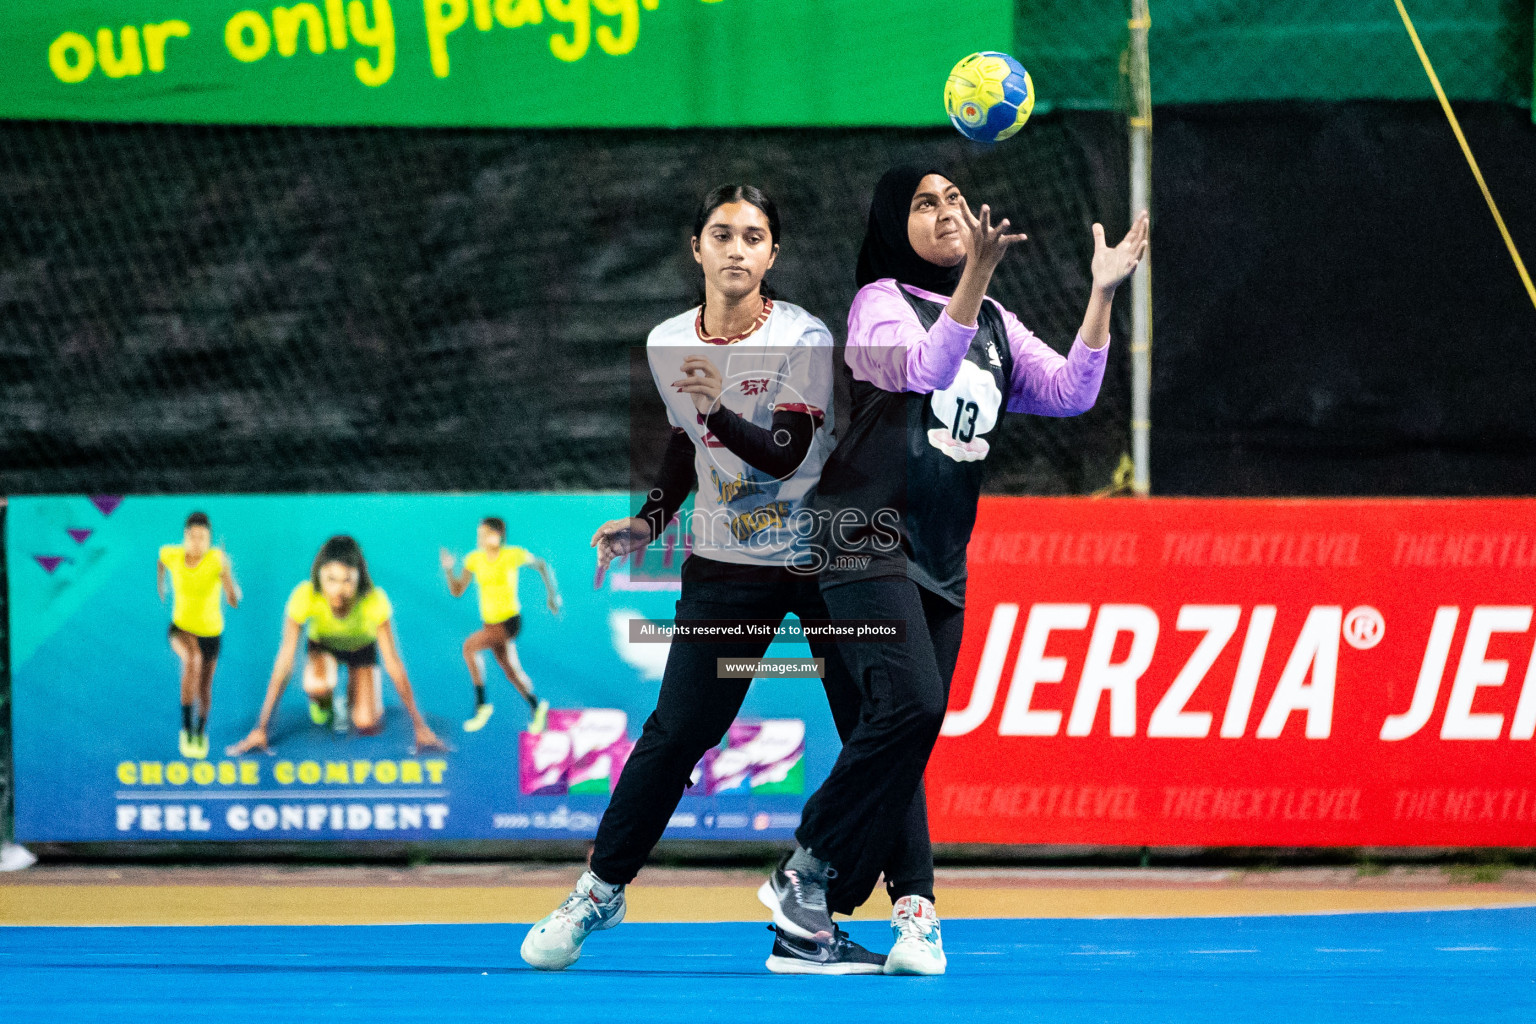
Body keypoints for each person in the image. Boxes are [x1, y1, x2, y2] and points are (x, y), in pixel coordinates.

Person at [756, 167, 1149, 974]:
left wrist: (1103, 295)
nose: (945, 213)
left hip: (939, 555)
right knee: (912, 704)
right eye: (924, 204)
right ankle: (808, 870)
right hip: (860, 536)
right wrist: (977, 275)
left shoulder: (997, 321)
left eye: (955, 202)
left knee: (907, 728)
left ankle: (843, 919)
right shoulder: (876, 304)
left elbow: (1073, 391)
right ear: (895, 225)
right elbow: (928, 369)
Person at [521, 184, 913, 975]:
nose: (736, 249)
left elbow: (785, 452)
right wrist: (649, 520)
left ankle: (913, 908)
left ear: (774, 254)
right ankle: (600, 890)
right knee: (676, 733)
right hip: (726, 567)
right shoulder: (667, 341)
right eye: (722, 234)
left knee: (879, 725)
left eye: (754, 236)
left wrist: (714, 409)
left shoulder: (802, 334)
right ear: (695, 249)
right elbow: (680, 444)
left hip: (823, 561)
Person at [226, 535, 445, 755]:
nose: (338, 590)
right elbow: (285, 662)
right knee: (318, 685)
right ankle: (324, 702)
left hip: (361, 651)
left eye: (347, 580)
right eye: (331, 579)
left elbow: (394, 664)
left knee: (366, 722)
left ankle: (353, 690)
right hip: (323, 648)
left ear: (360, 577)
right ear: (319, 574)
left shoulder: (374, 600)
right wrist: (260, 728)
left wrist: (421, 726)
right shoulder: (305, 595)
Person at [440, 516, 560, 734]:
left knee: (469, 647)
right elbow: (457, 591)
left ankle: (482, 705)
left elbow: (541, 565)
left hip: (509, 621)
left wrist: (552, 596)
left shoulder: (512, 555)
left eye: (485, 534)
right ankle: (536, 705)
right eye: (479, 535)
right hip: (490, 623)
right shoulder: (473, 560)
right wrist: (449, 569)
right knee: (511, 671)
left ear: (498, 536)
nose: (481, 539)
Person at [157, 511, 241, 759]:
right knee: (192, 659)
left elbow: (234, 601)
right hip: (181, 628)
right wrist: (161, 584)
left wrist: (227, 574)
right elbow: (161, 560)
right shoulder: (172, 554)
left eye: (203, 538)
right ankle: (185, 729)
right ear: (185, 537)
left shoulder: (217, 561)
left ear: (209, 540)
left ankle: (200, 732)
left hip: (211, 634)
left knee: (205, 687)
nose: (197, 542)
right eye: (193, 537)